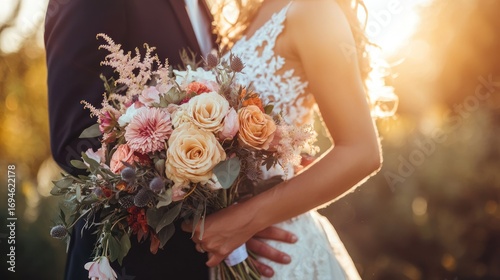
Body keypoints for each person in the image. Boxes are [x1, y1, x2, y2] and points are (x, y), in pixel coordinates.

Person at [44, 0, 296, 279]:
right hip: (134, 265)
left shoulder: (202, 7)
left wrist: (243, 211)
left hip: (212, 260)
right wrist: (221, 217)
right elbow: (74, 141)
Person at [182, 0, 389, 278]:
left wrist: (244, 220)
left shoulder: (316, 10)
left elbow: (362, 152)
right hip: (233, 253)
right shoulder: (253, 16)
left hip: (283, 255)